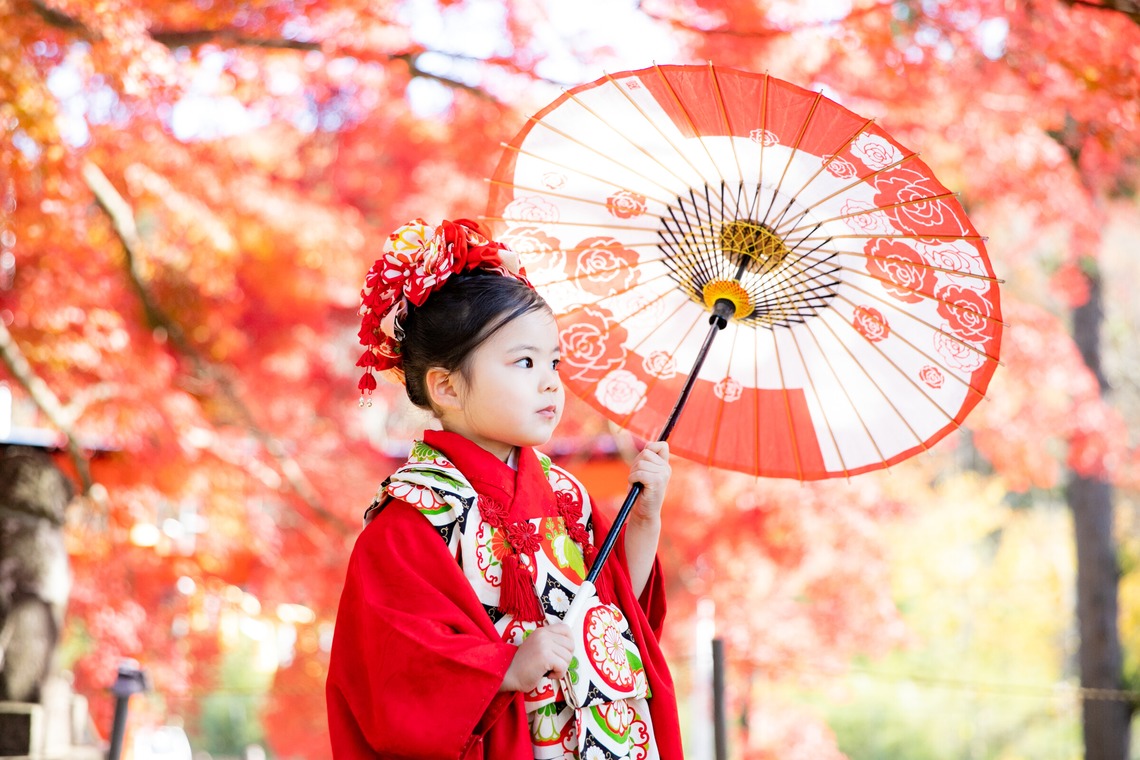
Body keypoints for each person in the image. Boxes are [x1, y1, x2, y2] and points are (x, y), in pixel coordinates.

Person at [326, 218, 684, 759]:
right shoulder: (412, 518)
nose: (550, 382)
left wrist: (646, 520)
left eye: (554, 362)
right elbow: (395, 675)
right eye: (524, 362)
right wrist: (504, 668)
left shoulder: (567, 495)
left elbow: (617, 614)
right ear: (446, 385)